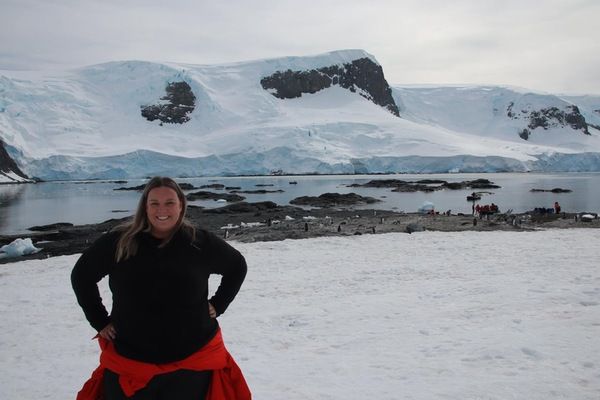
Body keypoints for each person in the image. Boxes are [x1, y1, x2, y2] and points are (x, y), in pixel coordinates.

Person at [71, 177, 250, 400]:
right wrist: (99, 320)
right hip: (130, 360)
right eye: (154, 203)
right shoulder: (119, 242)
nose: (161, 210)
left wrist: (218, 303)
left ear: (181, 205)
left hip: (191, 364)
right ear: (145, 206)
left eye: (169, 203)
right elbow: (81, 276)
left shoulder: (199, 242)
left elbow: (236, 266)